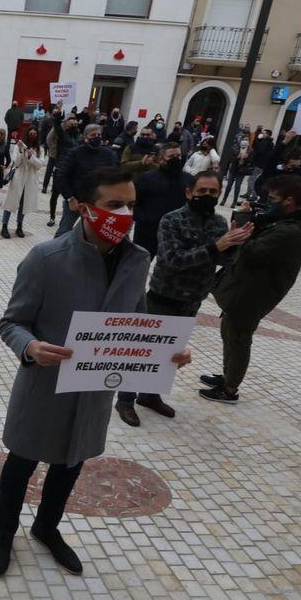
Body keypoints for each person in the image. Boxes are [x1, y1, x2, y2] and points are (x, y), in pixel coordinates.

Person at [0, 166, 191, 577]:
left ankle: (47, 528)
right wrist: (30, 347)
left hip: (95, 389)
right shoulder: (46, 259)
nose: (125, 214)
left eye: (131, 205)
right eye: (113, 205)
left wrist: (166, 352)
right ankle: (4, 534)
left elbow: (139, 324)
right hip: (45, 386)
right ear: (82, 208)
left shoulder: (138, 260)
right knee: (21, 464)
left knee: (71, 464)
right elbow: (11, 322)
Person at [115, 171, 250, 428]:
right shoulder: (171, 220)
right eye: (202, 191)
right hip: (163, 296)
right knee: (141, 352)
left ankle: (150, 395)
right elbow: (171, 259)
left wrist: (235, 244)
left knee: (169, 354)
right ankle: (125, 399)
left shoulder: (219, 224)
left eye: (213, 192)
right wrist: (215, 247)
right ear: (189, 192)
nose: (207, 196)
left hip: (193, 299)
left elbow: (224, 261)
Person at [200, 175, 301, 403]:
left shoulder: (290, 232)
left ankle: (229, 389)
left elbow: (250, 251)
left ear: (289, 200)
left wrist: (244, 221)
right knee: (230, 334)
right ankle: (228, 376)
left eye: (273, 198)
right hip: (246, 289)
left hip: (252, 296)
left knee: (238, 339)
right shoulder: (282, 224)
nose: (268, 201)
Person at [54, 124, 118, 237]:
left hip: (97, 202)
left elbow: (113, 176)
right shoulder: (75, 153)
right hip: (77, 201)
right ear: (85, 137)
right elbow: (61, 176)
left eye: (99, 135)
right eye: (93, 135)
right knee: (64, 231)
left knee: (90, 233)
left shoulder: (108, 154)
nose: (97, 137)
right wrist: (70, 198)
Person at [132, 144, 192, 256]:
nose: (176, 159)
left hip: (176, 233)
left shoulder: (188, 179)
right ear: (161, 159)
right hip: (147, 232)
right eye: (171, 156)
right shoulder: (147, 178)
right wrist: (142, 218)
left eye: (178, 155)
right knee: (139, 263)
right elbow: (134, 201)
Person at [1, 128, 43, 239]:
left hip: (30, 180)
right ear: (27, 134)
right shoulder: (18, 146)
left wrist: (31, 156)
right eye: (30, 134)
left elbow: (39, 165)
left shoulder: (40, 149)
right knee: (10, 202)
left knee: (24, 204)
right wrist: (20, 150)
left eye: (35, 134)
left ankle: (19, 226)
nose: (32, 136)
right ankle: (4, 227)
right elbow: (17, 161)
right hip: (18, 178)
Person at [221, 138, 254, 206]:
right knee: (229, 185)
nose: (244, 142)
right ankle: (224, 199)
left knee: (237, 186)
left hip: (241, 171)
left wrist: (246, 158)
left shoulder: (250, 151)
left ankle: (234, 202)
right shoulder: (236, 149)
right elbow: (231, 159)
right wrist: (238, 157)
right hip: (233, 169)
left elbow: (251, 161)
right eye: (243, 140)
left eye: (246, 140)